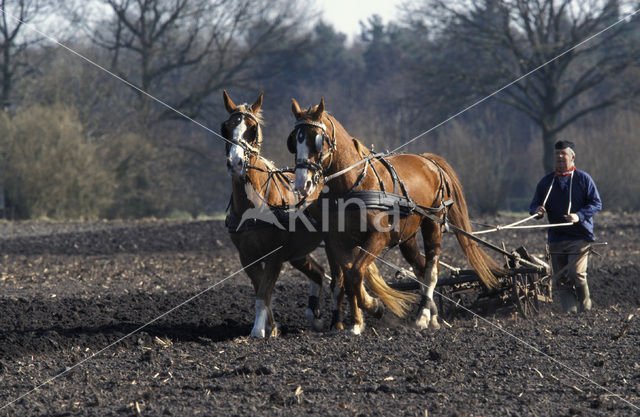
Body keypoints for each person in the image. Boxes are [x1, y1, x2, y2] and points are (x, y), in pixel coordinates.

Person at [530, 140, 602, 313]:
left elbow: (596, 203)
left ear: (572, 157)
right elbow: (534, 205)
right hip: (556, 237)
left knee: (576, 273)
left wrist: (579, 216)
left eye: (564, 154)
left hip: (579, 236)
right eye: (557, 154)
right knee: (560, 277)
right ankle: (570, 313)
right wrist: (537, 211)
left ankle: (585, 305)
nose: (560, 157)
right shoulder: (546, 182)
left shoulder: (583, 179)